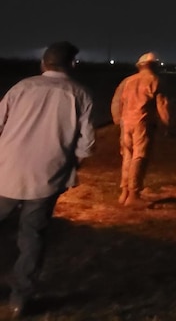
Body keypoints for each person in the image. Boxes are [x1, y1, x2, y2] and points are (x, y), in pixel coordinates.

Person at [0, 42, 95, 318]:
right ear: (72, 64)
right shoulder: (81, 94)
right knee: (32, 236)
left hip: (6, 173)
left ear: (44, 63)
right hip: (46, 178)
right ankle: (20, 299)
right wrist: (71, 160)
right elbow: (86, 144)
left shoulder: (21, 88)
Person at [110, 52, 171, 207]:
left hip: (126, 123)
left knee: (128, 157)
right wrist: (167, 125)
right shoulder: (155, 80)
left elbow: (116, 102)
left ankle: (124, 192)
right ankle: (133, 194)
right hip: (142, 123)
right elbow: (162, 105)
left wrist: (119, 120)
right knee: (139, 157)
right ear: (154, 65)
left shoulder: (127, 81)